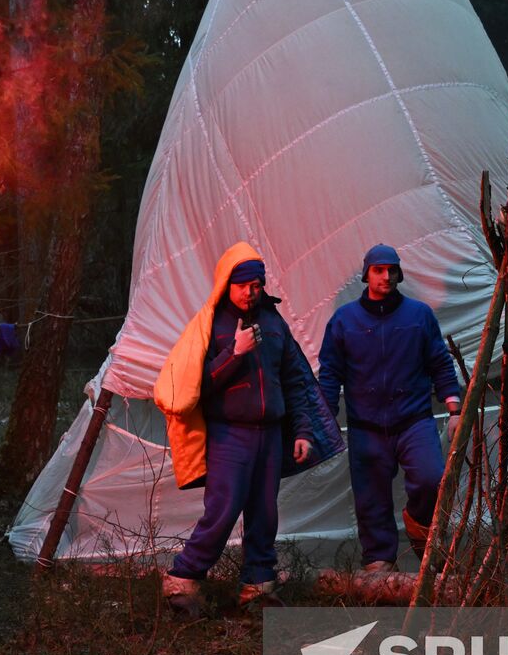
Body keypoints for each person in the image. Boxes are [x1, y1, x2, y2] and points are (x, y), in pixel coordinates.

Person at [153, 242, 343, 616]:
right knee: (222, 509)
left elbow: (295, 382)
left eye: (256, 284)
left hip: (269, 435)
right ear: (227, 284)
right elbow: (194, 388)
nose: (250, 292)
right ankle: (183, 580)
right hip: (229, 434)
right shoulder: (211, 324)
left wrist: (303, 431)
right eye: (242, 285)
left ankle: (257, 588)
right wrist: (233, 353)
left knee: (264, 512)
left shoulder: (273, 322)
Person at [317, 244, 461, 569]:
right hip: (366, 425)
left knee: (430, 478)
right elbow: (330, 374)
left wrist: (454, 407)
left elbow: (439, 361)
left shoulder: (418, 315)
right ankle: (380, 561)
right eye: (379, 270)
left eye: (391, 269)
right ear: (366, 274)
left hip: (413, 419)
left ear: (399, 273)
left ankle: (422, 532)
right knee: (371, 497)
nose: (386, 276)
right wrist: (321, 422)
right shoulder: (345, 320)